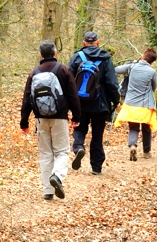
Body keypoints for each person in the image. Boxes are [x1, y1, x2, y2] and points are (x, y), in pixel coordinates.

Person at [20, 40, 82, 200]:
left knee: (45, 153)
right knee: (61, 151)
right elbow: (73, 95)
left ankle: (48, 191)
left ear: (40, 54)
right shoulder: (64, 70)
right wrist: (76, 116)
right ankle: (57, 176)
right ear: (55, 53)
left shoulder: (34, 73)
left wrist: (24, 121)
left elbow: (27, 98)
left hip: (40, 118)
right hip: (59, 118)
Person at [68, 31, 120, 175]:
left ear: (84, 43)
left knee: (79, 129)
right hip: (100, 103)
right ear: (97, 42)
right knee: (97, 134)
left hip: (80, 103)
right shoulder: (105, 58)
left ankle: (79, 148)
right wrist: (116, 100)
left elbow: (68, 82)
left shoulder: (76, 58)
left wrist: (70, 103)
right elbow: (112, 83)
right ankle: (96, 167)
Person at [114, 49, 157, 161]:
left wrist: (131, 64)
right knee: (146, 128)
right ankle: (146, 151)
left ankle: (133, 145)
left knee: (133, 127)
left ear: (143, 56)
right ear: (152, 62)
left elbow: (116, 70)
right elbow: (154, 88)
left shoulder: (132, 67)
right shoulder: (152, 72)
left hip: (131, 104)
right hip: (146, 105)